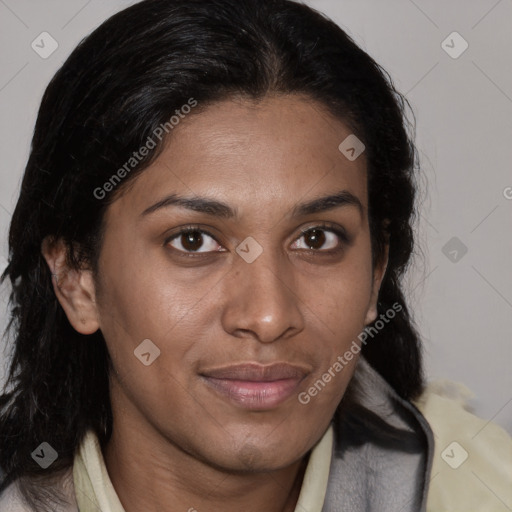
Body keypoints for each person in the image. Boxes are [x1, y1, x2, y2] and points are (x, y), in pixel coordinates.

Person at [0, 0, 510, 511]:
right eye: (194, 240)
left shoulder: (483, 487)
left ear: (376, 271)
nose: (268, 316)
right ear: (75, 279)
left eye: (317, 239)